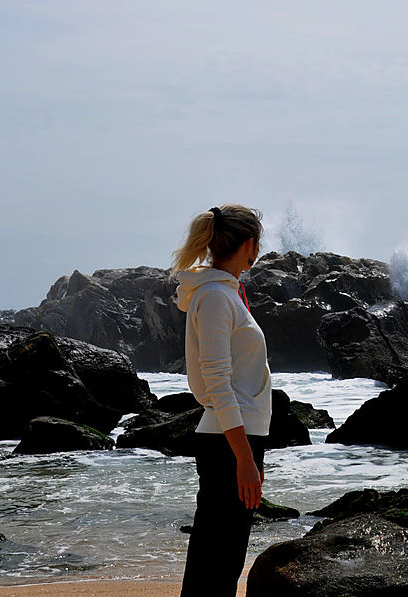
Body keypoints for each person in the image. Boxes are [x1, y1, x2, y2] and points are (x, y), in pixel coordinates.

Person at [171, 205, 271, 597]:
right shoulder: (214, 296)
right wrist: (244, 459)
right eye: (257, 243)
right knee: (216, 561)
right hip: (229, 441)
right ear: (249, 245)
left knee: (222, 560)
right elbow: (216, 381)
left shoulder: (224, 293)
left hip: (236, 437)